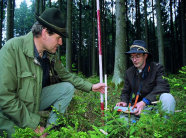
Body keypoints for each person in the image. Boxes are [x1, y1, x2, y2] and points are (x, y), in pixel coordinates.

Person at [0, 8, 105, 137]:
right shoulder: (12, 49)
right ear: (44, 33)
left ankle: (50, 129)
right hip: (10, 114)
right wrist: (34, 126)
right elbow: (5, 98)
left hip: (34, 100)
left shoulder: (49, 55)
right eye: (59, 38)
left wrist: (91, 86)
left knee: (67, 88)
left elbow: (66, 75)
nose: (61, 43)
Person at [116, 40, 176, 122]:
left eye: (137, 56)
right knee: (122, 120)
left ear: (145, 56)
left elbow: (163, 87)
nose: (134, 60)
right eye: (132, 57)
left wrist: (144, 101)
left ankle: (162, 127)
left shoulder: (157, 68)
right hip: (137, 108)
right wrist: (124, 102)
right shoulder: (129, 72)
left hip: (155, 106)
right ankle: (140, 128)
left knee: (168, 98)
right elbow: (126, 91)